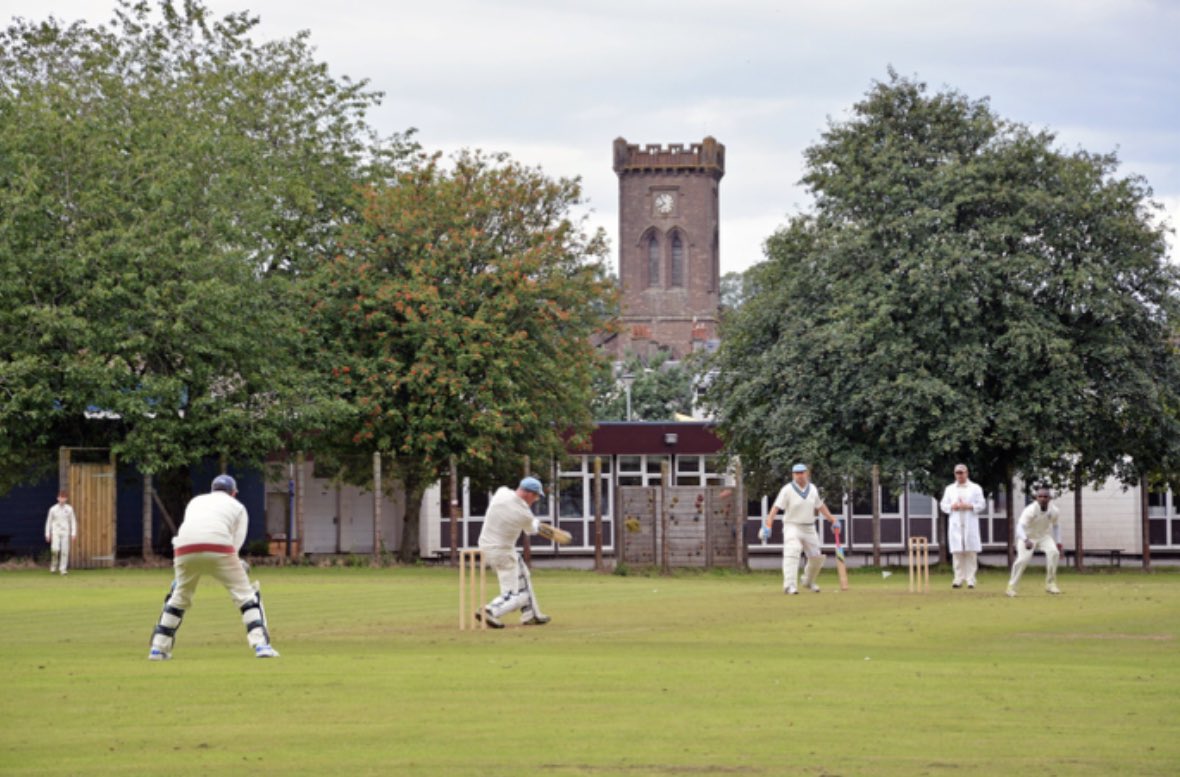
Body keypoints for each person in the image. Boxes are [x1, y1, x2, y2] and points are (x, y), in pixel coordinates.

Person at [147, 474, 278, 660]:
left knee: (179, 596)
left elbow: (192, 529)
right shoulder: (238, 507)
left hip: (184, 549)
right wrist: (237, 564)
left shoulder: (196, 501)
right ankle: (261, 646)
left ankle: (158, 649)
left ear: (212, 490)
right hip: (220, 548)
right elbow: (236, 543)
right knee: (246, 595)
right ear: (233, 493)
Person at [476, 476, 552, 628]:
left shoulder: (501, 492)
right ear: (529, 494)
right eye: (536, 496)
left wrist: (535, 523)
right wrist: (542, 527)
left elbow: (530, 522)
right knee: (513, 595)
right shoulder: (524, 514)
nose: (536, 500)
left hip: (486, 546)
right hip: (502, 553)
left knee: (524, 575)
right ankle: (490, 610)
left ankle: (532, 614)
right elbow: (531, 530)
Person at [760, 463, 842, 594]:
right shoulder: (787, 489)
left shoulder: (813, 489)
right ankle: (789, 585)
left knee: (817, 557)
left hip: (809, 527)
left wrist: (833, 520)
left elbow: (820, 506)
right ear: (793, 475)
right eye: (796, 473)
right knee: (792, 551)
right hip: (792, 526)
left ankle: (808, 582)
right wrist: (768, 525)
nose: (799, 476)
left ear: (807, 473)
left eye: (802, 473)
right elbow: (775, 508)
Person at [1006, 486, 1063, 597]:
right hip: (1027, 537)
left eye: (1045, 496)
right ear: (1036, 498)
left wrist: (1059, 543)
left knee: (1054, 553)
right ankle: (1011, 587)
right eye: (1040, 496)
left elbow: (1056, 526)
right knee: (1022, 560)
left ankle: (1050, 584)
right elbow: (1019, 527)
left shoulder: (1054, 511)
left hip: (1044, 536)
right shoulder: (1030, 510)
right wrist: (1025, 540)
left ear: (1050, 498)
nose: (1042, 499)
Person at [939, 464, 987, 589]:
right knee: (957, 552)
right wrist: (951, 507)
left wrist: (970, 506)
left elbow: (982, 504)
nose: (960, 475)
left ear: (967, 473)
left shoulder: (975, 488)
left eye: (962, 473)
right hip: (956, 523)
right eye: (957, 473)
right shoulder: (950, 489)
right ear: (955, 474)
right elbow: (943, 504)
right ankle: (958, 579)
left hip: (970, 522)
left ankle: (971, 579)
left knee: (971, 552)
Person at [44, 490, 78, 575]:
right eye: (60, 498)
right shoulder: (53, 509)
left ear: (66, 499)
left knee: (65, 550)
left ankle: (63, 569)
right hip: (55, 531)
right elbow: (49, 522)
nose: (62, 499)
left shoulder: (69, 509)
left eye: (64, 498)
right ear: (57, 498)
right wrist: (47, 534)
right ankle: (53, 567)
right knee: (55, 549)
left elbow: (73, 521)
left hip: (65, 532)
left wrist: (73, 533)